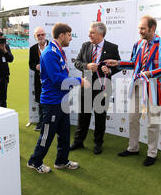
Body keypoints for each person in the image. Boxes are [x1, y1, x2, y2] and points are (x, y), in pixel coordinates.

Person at [105, 15, 161, 166]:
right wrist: (117, 63)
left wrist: (151, 74)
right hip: (137, 86)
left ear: (152, 28)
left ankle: (152, 153)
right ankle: (133, 148)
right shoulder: (138, 44)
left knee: (153, 122)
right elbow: (133, 63)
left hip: (155, 88)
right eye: (139, 28)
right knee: (132, 119)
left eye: (143, 28)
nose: (140, 31)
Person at [27, 23, 90, 174]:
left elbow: (62, 75)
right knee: (47, 135)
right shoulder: (49, 53)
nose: (70, 38)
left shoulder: (58, 50)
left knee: (64, 133)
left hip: (62, 100)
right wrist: (79, 82)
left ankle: (61, 161)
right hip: (52, 102)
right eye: (69, 35)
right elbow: (57, 80)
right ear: (62, 35)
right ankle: (34, 161)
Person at [70, 22, 121, 154]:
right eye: (89, 32)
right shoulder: (85, 45)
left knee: (100, 117)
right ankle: (78, 141)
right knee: (83, 117)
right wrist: (86, 66)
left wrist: (109, 70)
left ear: (100, 33)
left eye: (92, 33)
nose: (89, 35)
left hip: (102, 88)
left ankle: (98, 143)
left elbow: (118, 65)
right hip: (86, 86)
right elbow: (77, 62)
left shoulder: (112, 47)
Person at [29, 27, 49, 131]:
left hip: (51, 79)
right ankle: (41, 122)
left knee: (50, 101)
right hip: (38, 80)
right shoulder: (33, 49)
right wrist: (35, 66)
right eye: (38, 35)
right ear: (35, 37)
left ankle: (49, 122)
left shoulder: (52, 46)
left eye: (42, 34)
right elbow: (30, 64)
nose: (41, 37)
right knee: (40, 101)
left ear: (45, 35)